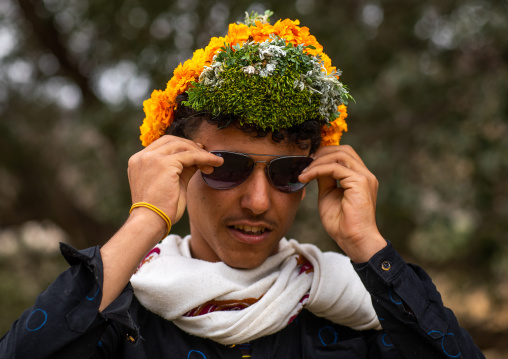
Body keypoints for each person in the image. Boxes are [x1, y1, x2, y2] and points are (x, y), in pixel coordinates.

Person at [1, 11, 485, 359]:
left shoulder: (351, 309)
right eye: (226, 168)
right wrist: (144, 220)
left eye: (285, 174)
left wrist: (366, 244)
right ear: (178, 169)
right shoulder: (122, 313)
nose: (258, 202)